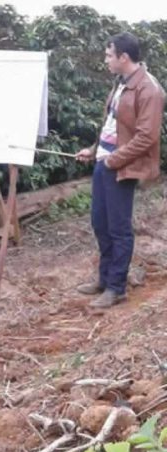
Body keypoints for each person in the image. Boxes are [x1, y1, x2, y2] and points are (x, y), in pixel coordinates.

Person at [76, 32, 165, 308]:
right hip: (105, 162)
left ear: (123, 57)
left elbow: (146, 137)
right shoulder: (121, 82)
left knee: (119, 228)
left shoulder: (148, 89)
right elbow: (112, 125)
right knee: (100, 224)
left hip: (120, 167)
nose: (106, 60)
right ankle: (104, 279)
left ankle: (117, 287)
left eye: (108, 55)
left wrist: (113, 160)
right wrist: (93, 150)